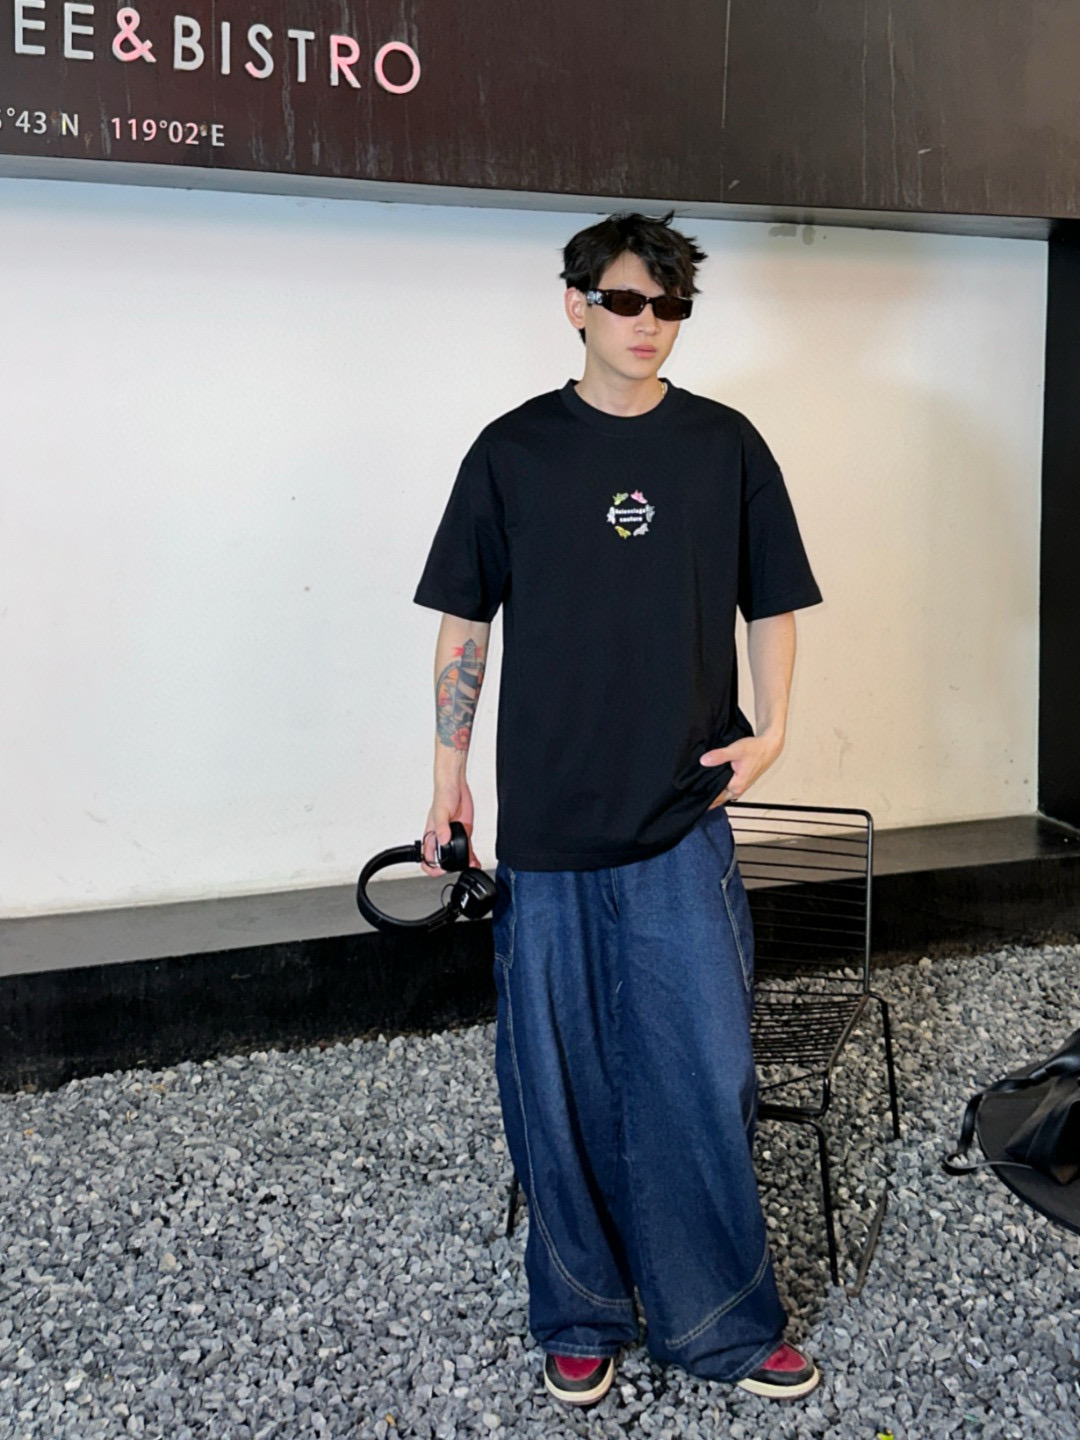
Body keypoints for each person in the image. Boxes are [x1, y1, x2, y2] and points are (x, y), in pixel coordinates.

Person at [413, 212, 823, 1408]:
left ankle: (722, 1323)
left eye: (670, 306)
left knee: (702, 1076)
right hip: (548, 827)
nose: (650, 325)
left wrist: (773, 728)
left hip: (681, 817)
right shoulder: (513, 452)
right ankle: (580, 1313)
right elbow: (465, 621)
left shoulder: (724, 445)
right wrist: (446, 777)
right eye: (628, 301)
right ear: (577, 303)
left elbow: (774, 597)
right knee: (557, 1083)